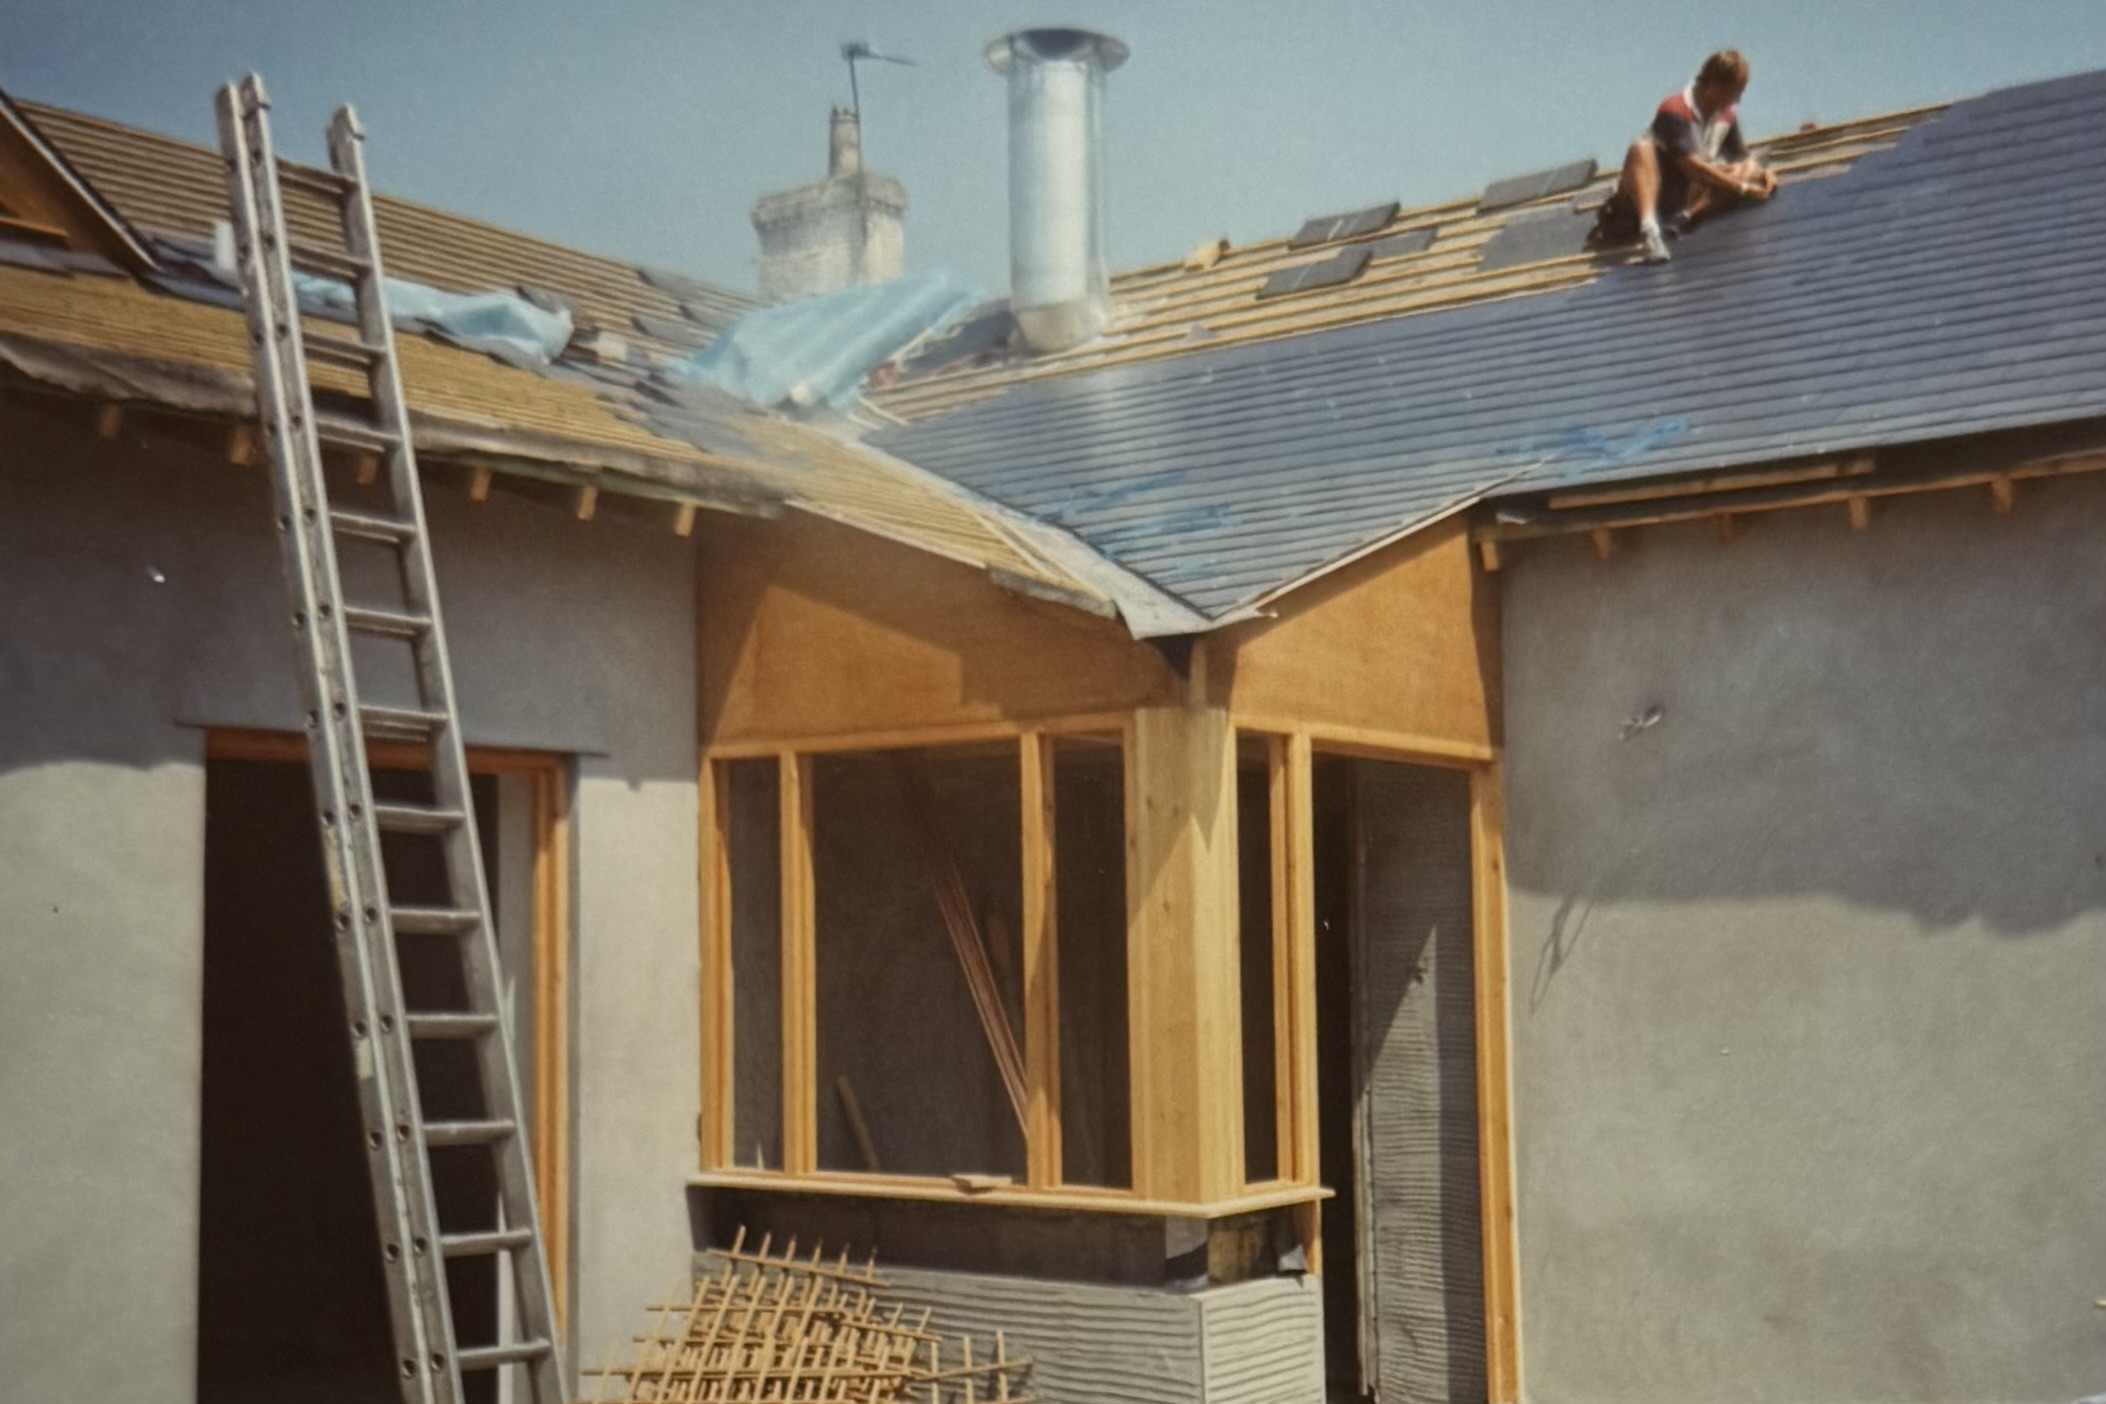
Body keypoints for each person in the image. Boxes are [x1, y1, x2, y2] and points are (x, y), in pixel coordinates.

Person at [1595, 49, 1778, 263]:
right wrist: (1742, 188)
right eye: (1735, 91)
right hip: (1640, 202)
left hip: (1680, 200)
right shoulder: (1675, 110)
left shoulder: (1726, 117)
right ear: (1714, 86)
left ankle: (1683, 219)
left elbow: (1743, 157)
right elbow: (1690, 164)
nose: (1737, 99)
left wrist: (1763, 174)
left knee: (1741, 171)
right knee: (1641, 148)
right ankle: (1650, 229)